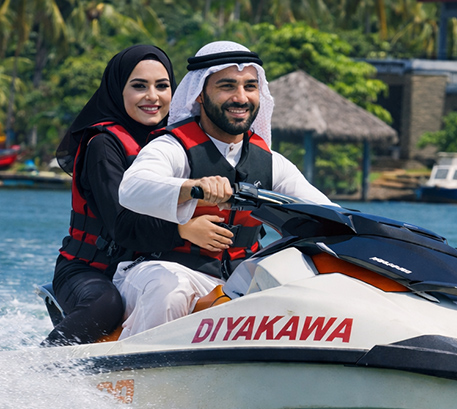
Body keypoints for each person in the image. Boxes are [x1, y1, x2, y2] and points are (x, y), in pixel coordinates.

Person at [114, 41, 333, 338]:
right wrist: (193, 188)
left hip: (240, 276)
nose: (240, 98)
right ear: (199, 94)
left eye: (250, 87)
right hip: (164, 269)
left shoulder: (271, 163)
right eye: (227, 86)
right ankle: (141, 363)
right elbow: (131, 189)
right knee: (170, 290)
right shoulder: (171, 148)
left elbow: (326, 212)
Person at [43, 45, 183, 346]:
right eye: (139, 86)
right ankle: (40, 366)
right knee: (106, 306)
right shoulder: (104, 146)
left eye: (162, 86)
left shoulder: (177, 144)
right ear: (118, 91)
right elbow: (120, 224)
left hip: (147, 268)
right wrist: (184, 231)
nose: (152, 96)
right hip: (89, 271)